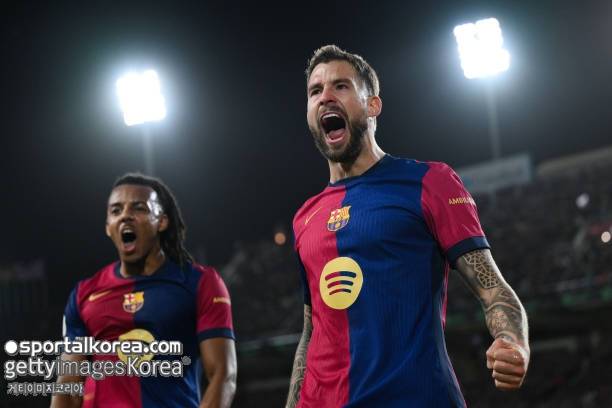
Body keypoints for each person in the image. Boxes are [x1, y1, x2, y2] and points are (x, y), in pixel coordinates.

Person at [286, 45, 530, 408]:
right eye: (315, 91)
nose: (325, 97)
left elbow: (492, 286)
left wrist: (513, 341)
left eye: (341, 86)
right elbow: (311, 331)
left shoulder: (429, 181)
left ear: (372, 105)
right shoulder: (305, 217)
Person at [51, 173, 236, 408]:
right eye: (116, 210)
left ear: (162, 221)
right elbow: (68, 386)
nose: (125, 215)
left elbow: (223, 375)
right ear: (108, 227)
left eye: (139, 208)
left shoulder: (200, 282)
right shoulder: (83, 294)